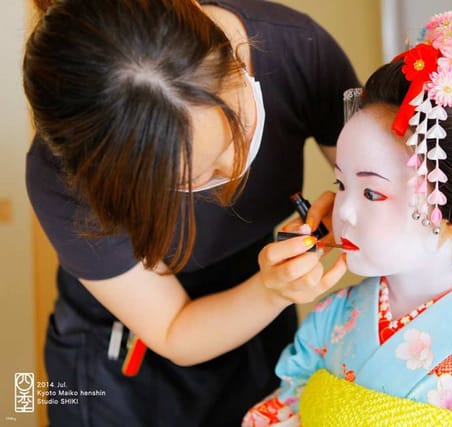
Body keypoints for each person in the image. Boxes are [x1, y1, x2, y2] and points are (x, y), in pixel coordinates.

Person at [23, 0, 357, 425]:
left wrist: (352, 198)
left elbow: (379, 169)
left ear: (235, 62)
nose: (235, 168)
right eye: (195, 179)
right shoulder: (64, 175)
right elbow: (173, 329)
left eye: (234, 135)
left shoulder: (296, 49)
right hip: (122, 350)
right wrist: (272, 291)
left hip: (254, 309)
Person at [243, 11, 452, 426]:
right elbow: (287, 406)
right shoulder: (333, 317)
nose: (342, 209)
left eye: (372, 192)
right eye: (342, 184)